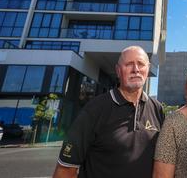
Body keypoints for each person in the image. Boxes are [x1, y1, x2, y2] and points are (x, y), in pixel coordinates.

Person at [52, 46, 164, 178]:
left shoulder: (157, 109)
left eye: (141, 64)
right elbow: (65, 169)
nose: (136, 69)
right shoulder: (94, 109)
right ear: (118, 70)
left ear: (148, 68)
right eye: (129, 64)